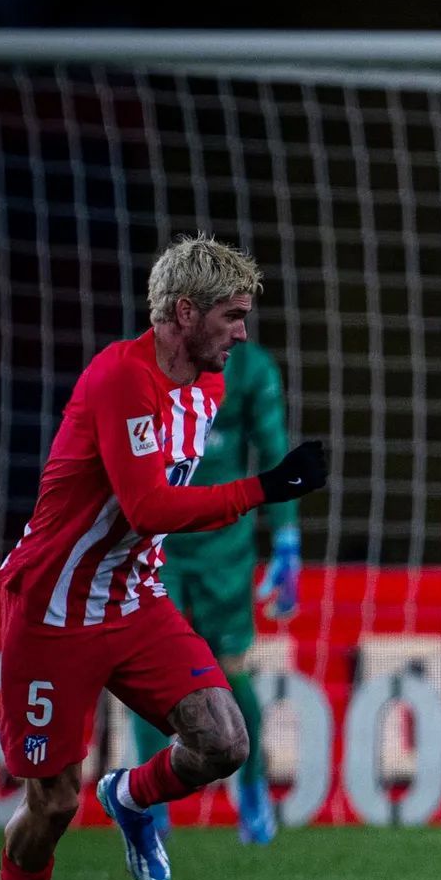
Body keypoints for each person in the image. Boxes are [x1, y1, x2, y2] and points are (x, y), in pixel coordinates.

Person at [0, 236, 328, 880]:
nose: (242, 333)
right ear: (183, 312)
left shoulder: (209, 386)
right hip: (54, 609)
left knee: (225, 742)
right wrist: (266, 489)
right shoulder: (120, 378)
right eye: (232, 317)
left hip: (134, 601)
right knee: (51, 802)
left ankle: (134, 797)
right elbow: (146, 505)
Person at [127, 334, 300, 844]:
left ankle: (252, 786)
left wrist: (287, 539)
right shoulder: (148, 364)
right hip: (159, 545)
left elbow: (274, 450)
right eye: (228, 313)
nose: (239, 328)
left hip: (225, 547)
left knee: (229, 671)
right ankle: (150, 806)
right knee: (152, 678)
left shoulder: (250, 369)